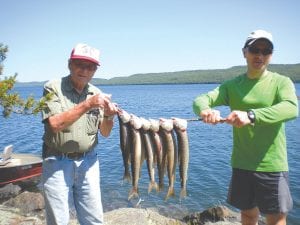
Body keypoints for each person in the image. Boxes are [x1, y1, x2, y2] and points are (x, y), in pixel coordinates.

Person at [193, 30, 298, 225]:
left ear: (271, 55)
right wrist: (206, 110)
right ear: (244, 52)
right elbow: (201, 99)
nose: (260, 55)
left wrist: (251, 115)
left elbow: (291, 108)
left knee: (275, 219)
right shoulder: (232, 85)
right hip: (242, 164)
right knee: (248, 215)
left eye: (266, 51)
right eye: (254, 50)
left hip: (272, 165)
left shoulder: (280, 82)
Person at [41, 43, 118, 225]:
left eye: (90, 67)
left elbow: (105, 133)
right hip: (56, 161)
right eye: (79, 64)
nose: (84, 70)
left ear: (95, 71)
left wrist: (108, 115)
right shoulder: (53, 88)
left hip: (89, 162)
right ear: (70, 65)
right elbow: (54, 124)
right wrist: (89, 104)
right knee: (58, 220)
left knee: (94, 220)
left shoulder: (97, 93)